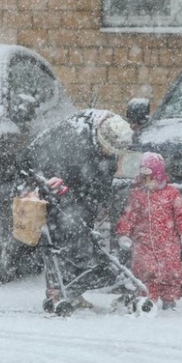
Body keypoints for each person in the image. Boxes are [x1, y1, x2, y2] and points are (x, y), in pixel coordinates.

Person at [19, 109, 134, 308]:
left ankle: (71, 289)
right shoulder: (71, 138)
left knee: (79, 234)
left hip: (79, 189)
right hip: (54, 185)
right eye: (108, 149)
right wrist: (49, 187)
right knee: (60, 239)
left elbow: (104, 174)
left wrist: (100, 201)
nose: (110, 153)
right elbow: (40, 164)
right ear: (99, 138)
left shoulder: (111, 134)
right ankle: (62, 288)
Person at [115, 152, 182, 310]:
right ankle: (147, 299)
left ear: (159, 176)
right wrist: (124, 234)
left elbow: (181, 215)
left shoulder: (172, 194)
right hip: (143, 244)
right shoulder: (138, 196)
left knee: (170, 272)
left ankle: (169, 300)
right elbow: (129, 216)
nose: (148, 182)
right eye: (144, 179)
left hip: (168, 243)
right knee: (145, 271)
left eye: (151, 178)